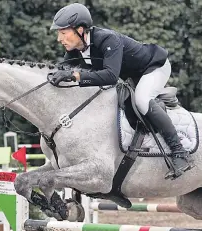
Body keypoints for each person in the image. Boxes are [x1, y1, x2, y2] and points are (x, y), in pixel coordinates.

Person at [50, 3, 192, 179]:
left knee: (141, 99)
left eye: (63, 33)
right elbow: (62, 70)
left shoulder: (107, 39)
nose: (59, 39)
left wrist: (75, 76)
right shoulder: (75, 50)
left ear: (80, 30)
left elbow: (110, 76)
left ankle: (180, 153)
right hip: (133, 76)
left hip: (154, 67)